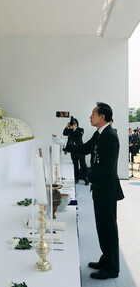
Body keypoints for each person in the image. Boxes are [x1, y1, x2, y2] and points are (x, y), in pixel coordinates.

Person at [53, 102, 124, 280]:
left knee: (108, 228)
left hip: (107, 189)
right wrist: (64, 145)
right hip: (100, 188)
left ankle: (112, 268)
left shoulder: (111, 136)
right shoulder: (99, 133)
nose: (90, 116)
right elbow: (84, 149)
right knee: (102, 226)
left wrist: (86, 175)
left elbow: (107, 167)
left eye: (93, 113)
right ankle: (105, 259)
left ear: (102, 117)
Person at [63, 117, 88, 185]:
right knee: (75, 165)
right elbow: (64, 133)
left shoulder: (80, 130)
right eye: (71, 123)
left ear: (76, 124)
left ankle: (85, 178)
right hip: (73, 150)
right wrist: (67, 127)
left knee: (83, 165)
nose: (72, 125)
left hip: (80, 150)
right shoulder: (70, 130)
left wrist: (74, 129)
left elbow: (79, 136)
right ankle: (76, 178)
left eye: (74, 123)